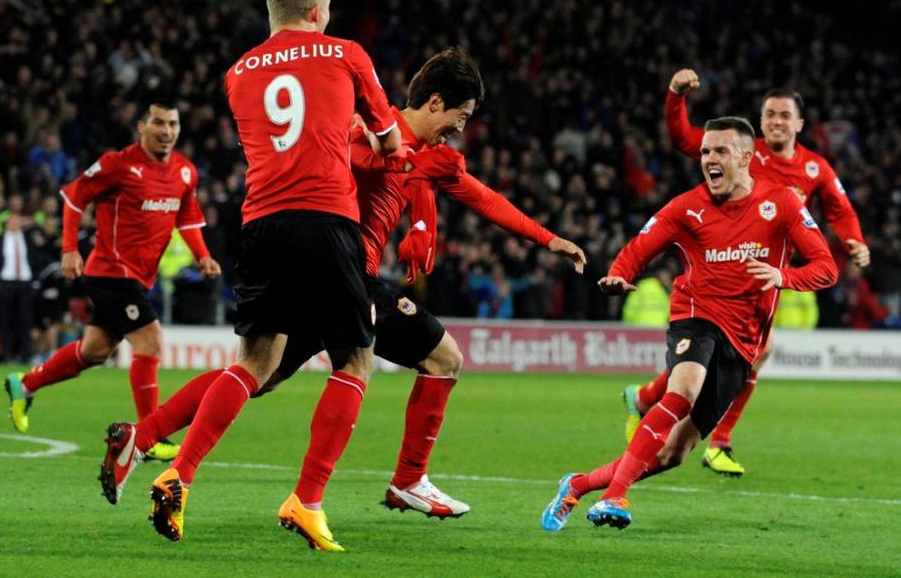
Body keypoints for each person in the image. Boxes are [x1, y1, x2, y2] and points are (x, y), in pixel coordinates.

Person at [98, 47, 585, 551]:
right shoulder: (375, 128)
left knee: (259, 373)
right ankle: (396, 481)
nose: (459, 130)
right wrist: (390, 159)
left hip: (320, 272)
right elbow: (342, 152)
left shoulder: (430, 157)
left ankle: (143, 436)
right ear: (436, 102)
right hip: (344, 269)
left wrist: (547, 239)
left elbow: (483, 197)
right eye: (460, 118)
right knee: (440, 358)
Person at [137, 0, 400, 546]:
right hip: (326, 216)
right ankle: (307, 499)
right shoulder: (346, 53)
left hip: (260, 224)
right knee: (354, 360)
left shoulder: (238, 73)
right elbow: (389, 140)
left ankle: (180, 473)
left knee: (254, 363)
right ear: (316, 11)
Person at [541, 116, 837, 532]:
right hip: (696, 316)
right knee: (683, 391)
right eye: (704, 152)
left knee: (673, 454)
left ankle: (577, 484)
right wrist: (619, 274)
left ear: (746, 158)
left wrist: (782, 276)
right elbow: (640, 246)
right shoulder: (687, 207)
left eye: (720, 151)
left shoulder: (782, 203)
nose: (709, 159)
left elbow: (826, 268)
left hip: (743, 342)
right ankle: (615, 496)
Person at [621, 69, 869, 476]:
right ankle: (717, 441)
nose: (775, 121)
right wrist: (675, 97)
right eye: (769, 114)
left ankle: (648, 398)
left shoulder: (816, 168)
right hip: (726, 263)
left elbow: (840, 210)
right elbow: (683, 138)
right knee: (748, 352)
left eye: (784, 115)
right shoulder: (737, 148)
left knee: (740, 354)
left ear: (799, 124)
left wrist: (854, 240)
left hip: (768, 271)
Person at [3, 100, 220, 463]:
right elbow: (75, 197)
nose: (166, 131)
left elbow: (186, 218)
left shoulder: (185, 171)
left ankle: (24, 384)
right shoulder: (118, 164)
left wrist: (202, 255)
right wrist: (69, 249)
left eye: (172, 124)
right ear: (142, 126)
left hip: (139, 278)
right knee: (150, 341)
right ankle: (150, 435)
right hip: (112, 272)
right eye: (158, 123)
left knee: (94, 351)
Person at [0, 212, 44, 362]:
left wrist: (35, 280)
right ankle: (7, 354)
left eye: (17, 221)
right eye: (12, 221)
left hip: (25, 281)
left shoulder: (28, 239)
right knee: (5, 319)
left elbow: (35, 259)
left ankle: (25, 354)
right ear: (7, 223)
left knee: (25, 320)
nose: (14, 224)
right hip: (6, 281)